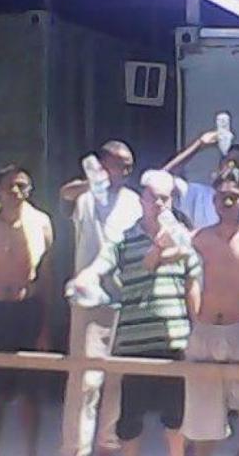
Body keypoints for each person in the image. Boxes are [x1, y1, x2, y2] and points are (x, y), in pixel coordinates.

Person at [72, 169, 201, 456]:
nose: (160, 204)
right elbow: (103, 263)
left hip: (175, 342)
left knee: (176, 420)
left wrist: (198, 334)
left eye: (165, 198)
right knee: (130, 423)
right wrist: (87, 276)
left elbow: (193, 287)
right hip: (133, 344)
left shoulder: (185, 241)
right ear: (142, 199)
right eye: (154, 198)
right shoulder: (124, 239)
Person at [180, 167, 239, 456]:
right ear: (213, 201)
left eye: (234, 196)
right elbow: (184, 282)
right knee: (203, 425)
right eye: (222, 196)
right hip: (204, 333)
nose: (228, 202)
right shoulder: (197, 238)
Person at [58, 140, 142, 456]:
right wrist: (94, 182)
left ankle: (108, 444)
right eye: (121, 163)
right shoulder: (85, 197)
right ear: (104, 163)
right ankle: (75, 448)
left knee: (116, 378)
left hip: (125, 299)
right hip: (89, 301)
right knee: (85, 380)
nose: (127, 170)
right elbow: (65, 196)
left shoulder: (134, 201)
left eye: (130, 165)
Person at [0, 164, 54, 456]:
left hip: (27, 311)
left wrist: (45, 327)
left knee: (30, 393)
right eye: (10, 186)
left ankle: (31, 452)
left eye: (22, 186)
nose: (16, 191)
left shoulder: (41, 222)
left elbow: (46, 276)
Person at [162, 131, 239, 242]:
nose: (231, 167)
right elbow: (161, 178)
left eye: (237, 164)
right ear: (220, 163)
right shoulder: (198, 195)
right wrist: (199, 145)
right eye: (229, 161)